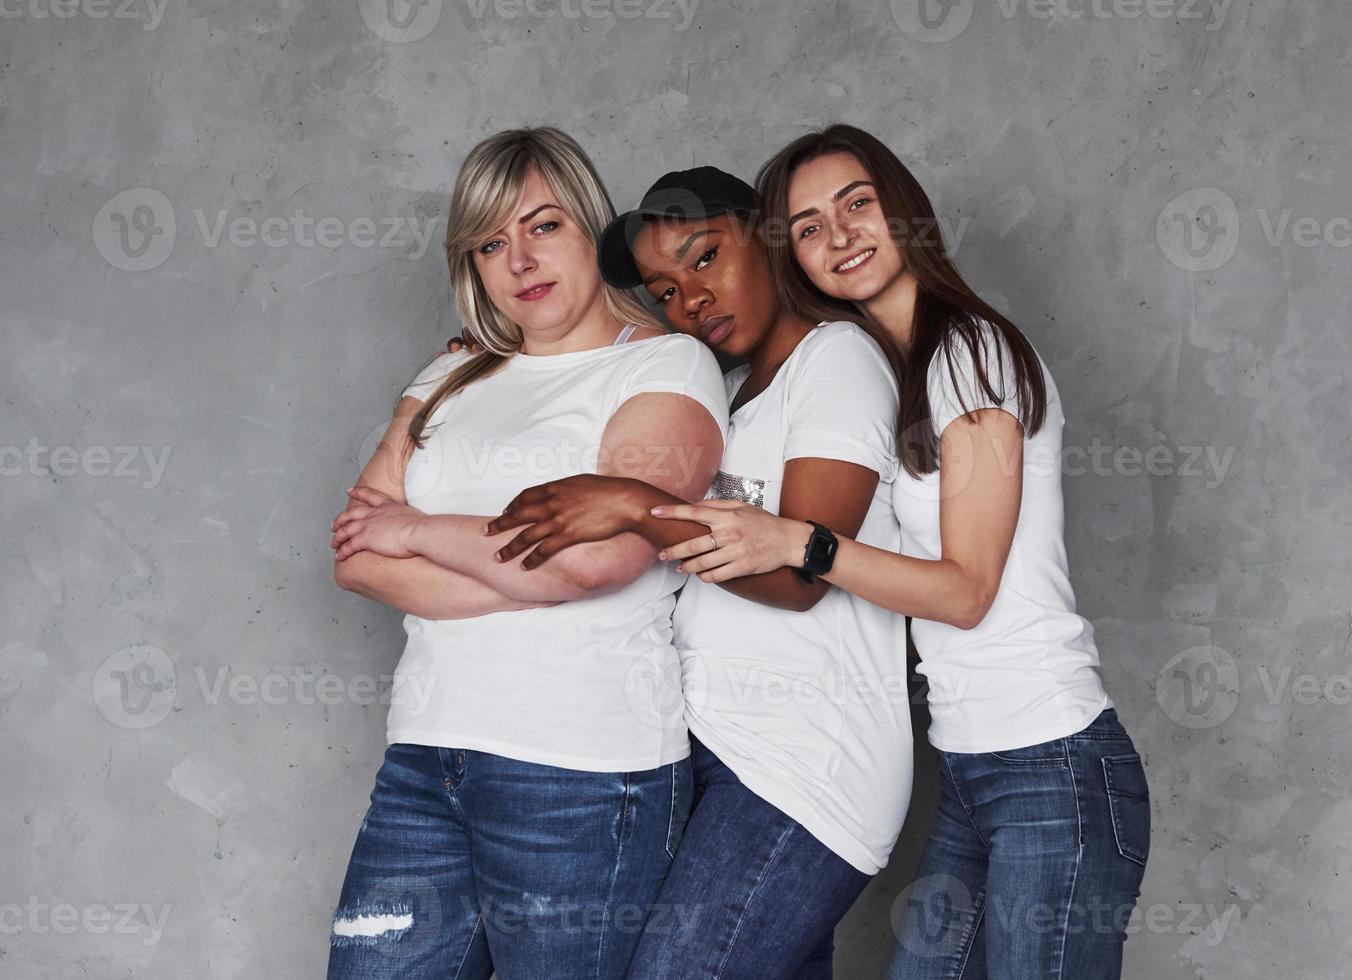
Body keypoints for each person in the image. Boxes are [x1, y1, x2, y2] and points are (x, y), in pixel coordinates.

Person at [651, 125, 1151, 980]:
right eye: (807, 227)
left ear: (903, 208)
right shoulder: (889, 365)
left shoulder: (971, 352)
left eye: (856, 205)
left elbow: (967, 593)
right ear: (789, 256)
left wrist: (801, 545)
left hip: (1052, 762)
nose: (838, 237)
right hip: (968, 765)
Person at [481, 166, 913, 978]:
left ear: (768, 238)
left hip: (801, 768)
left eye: (705, 258)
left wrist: (634, 506)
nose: (691, 301)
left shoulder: (837, 360)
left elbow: (797, 573)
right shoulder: (733, 393)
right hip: (716, 756)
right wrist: (494, 364)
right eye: (666, 289)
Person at [325, 127, 727, 979]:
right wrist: (525, 575)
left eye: (543, 226)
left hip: (581, 773)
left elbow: (599, 562)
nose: (519, 260)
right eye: (490, 242)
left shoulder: (665, 366)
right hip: (426, 760)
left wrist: (421, 531)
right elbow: (358, 559)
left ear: (588, 225)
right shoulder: (448, 378)